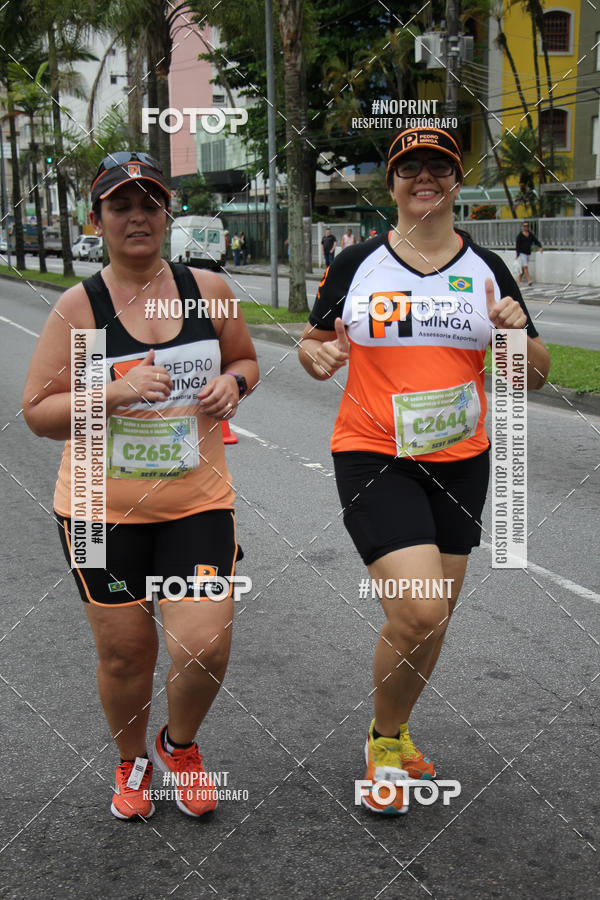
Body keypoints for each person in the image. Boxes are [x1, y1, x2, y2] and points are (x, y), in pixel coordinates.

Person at [298, 126, 550, 815]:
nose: (424, 179)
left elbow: (530, 375)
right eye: (410, 168)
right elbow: (317, 342)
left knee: (434, 624)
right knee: (419, 610)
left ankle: (400, 731)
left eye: (438, 167)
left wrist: (512, 336)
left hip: (462, 462)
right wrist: (312, 355)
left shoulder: (490, 269)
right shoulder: (356, 264)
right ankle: (383, 747)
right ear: (392, 184)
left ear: (456, 182)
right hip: (374, 453)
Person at [22, 151, 259, 821]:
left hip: (196, 503)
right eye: (120, 205)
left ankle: (178, 745)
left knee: (206, 642)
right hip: (100, 508)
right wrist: (114, 391)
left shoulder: (207, 292)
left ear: (166, 214)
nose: (137, 216)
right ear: (96, 220)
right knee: (127, 652)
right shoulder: (80, 308)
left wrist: (232, 384)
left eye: (149, 203)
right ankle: (131, 759)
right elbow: (39, 412)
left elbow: (245, 358)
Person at [515, 221, 543, 285]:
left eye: (527, 226)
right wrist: (517, 254)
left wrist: (540, 247)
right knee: (525, 267)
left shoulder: (530, 235)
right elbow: (517, 245)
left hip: (528, 253)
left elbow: (536, 241)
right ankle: (529, 280)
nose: (526, 227)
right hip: (522, 253)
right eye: (524, 226)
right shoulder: (520, 235)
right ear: (523, 227)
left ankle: (519, 279)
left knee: (523, 267)